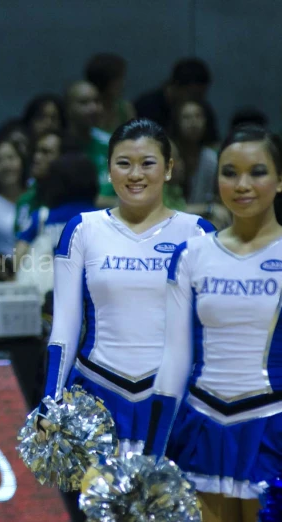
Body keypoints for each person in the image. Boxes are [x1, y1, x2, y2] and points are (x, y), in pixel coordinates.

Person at [37, 119, 215, 456]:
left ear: (168, 168)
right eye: (124, 163)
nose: (135, 174)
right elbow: (64, 326)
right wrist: (51, 398)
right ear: (108, 170)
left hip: (173, 401)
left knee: (177, 508)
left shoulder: (198, 233)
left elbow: (209, 334)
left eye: (148, 163)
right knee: (98, 508)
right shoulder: (82, 230)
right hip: (97, 395)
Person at [146, 124, 282, 522]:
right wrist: (153, 451)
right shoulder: (192, 254)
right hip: (202, 427)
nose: (242, 184)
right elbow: (174, 358)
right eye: (229, 172)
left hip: (271, 427)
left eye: (257, 172)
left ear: (280, 179)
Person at [15, 152, 97, 294]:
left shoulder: (41, 217)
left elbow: (19, 256)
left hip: (48, 296)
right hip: (90, 294)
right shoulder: (102, 218)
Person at [135, 58, 219, 145]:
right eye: (195, 94)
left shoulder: (203, 109)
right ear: (178, 88)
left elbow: (213, 142)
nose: (197, 100)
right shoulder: (147, 107)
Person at [63, 80, 114, 207]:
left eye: (97, 101)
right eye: (84, 103)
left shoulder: (112, 145)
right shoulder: (57, 147)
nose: (94, 108)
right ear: (68, 108)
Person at [169, 99, 219, 205]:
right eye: (186, 117)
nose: (193, 122)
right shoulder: (169, 154)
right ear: (176, 121)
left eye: (198, 116)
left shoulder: (210, 158)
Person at [84, 53, 136, 133]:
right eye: (118, 79)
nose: (122, 84)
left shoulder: (125, 109)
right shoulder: (90, 110)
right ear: (105, 81)